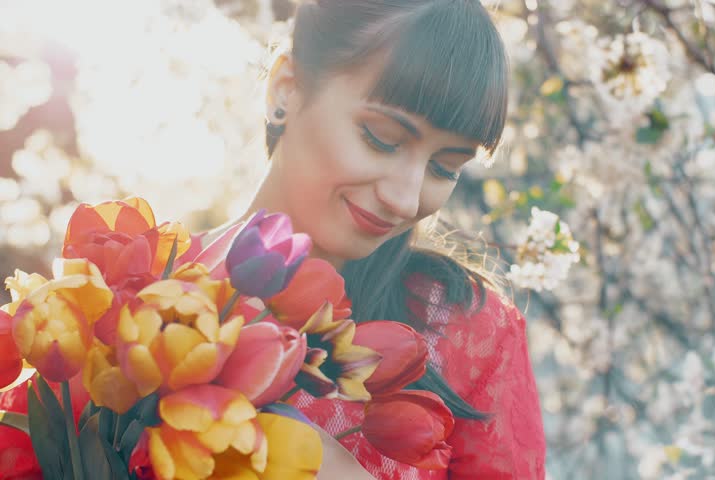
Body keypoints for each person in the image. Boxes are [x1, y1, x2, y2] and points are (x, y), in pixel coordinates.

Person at [204, 0, 546, 478]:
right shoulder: (134, 289)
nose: (405, 200)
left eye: (444, 168)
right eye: (381, 138)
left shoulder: (466, 330)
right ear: (286, 88)